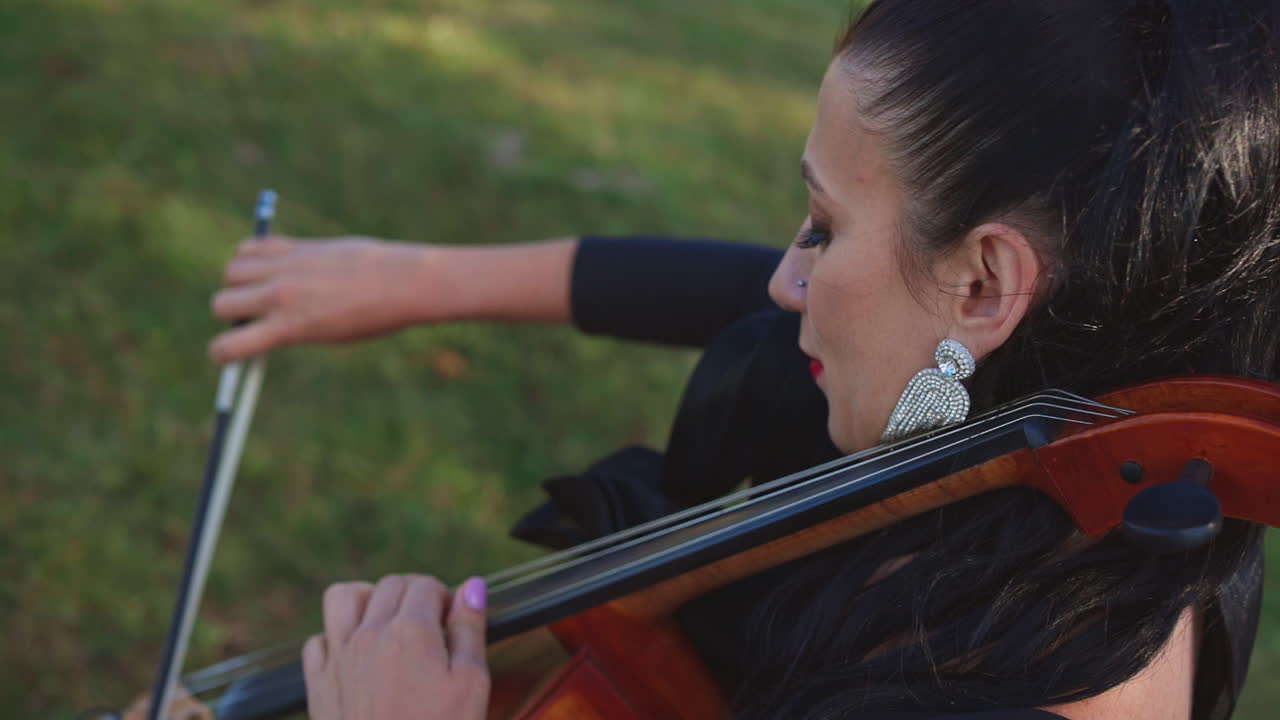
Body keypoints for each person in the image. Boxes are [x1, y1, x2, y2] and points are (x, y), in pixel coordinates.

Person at [209, 0, 1279, 718]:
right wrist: (411, 279)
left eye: (822, 225)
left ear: (984, 287)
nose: (784, 280)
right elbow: (736, 295)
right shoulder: (1052, 416)